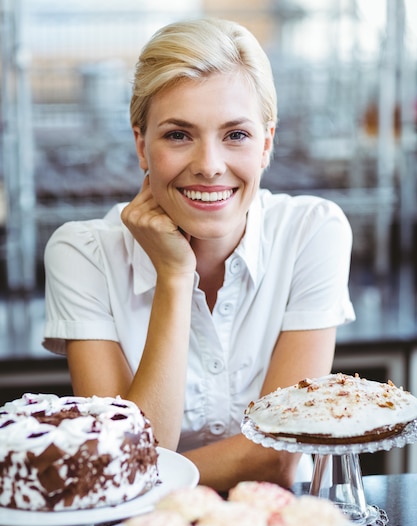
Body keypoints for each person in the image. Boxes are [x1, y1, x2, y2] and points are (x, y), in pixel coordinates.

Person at [43, 17, 355, 492]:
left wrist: (150, 471)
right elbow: (123, 463)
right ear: (140, 145)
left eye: (236, 135)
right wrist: (173, 276)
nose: (209, 166)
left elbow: (279, 459)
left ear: (267, 143)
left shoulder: (313, 233)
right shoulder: (82, 254)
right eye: (178, 135)